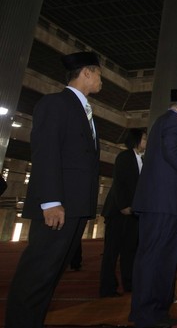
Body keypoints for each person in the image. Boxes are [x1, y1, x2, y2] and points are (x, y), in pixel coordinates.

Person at [5, 51, 102, 328]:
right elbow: (45, 152)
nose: (101, 81)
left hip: (76, 206)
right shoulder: (55, 103)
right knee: (37, 274)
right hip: (58, 206)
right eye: (98, 74)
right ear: (86, 72)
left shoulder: (85, 111)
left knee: (51, 274)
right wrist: (50, 201)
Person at [129, 89, 177, 328]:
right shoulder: (174, 121)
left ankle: (150, 311)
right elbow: (173, 151)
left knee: (155, 257)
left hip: (160, 203)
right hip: (165, 203)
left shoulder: (162, 122)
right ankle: (149, 314)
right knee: (158, 257)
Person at [99, 128, 147, 297]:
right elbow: (118, 183)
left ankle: (129, 283)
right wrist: (123, 206)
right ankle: (107, 287)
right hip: (118, 212)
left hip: (133, 212)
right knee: (111, 251)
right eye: (144, 139)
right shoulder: (124, 156)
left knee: (130, 250)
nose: (146, 142)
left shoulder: (142, 159)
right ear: (136, 140)